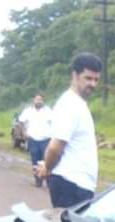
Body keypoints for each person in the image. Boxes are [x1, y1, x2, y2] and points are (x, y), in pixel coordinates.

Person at [38, 52, 102, 208]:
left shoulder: (78, 104)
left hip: (78, 186)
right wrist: (47, 167)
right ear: (75, 75)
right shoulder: (69, 104)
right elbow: (55, 147)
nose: (92, 84)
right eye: (88, 78)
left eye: (96, 80)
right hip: (71, 185)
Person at [17, 92, 52, 187]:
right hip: (33, 139)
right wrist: (23, 133)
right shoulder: (28, 111)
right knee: (35, 161)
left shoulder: (48, 111)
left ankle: (49, 181)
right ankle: (38, 180)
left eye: (40, 100)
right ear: (33, 100)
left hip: (45, 139)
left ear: (43, 101)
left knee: (46, 161)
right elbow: (20, 122)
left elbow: (55, 123)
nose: (38, 101)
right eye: (37, 99)